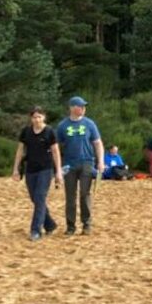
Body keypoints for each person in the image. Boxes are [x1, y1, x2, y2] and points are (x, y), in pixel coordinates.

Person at [12, 106, 63, 241]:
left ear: (44, 117)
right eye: (34, 117)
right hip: (30, 169)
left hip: (46, 170)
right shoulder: (26, 132)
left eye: (39, 117)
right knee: (35, 199)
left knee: (40, 198)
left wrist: (58, 171)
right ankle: (50, 224)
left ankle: (35, 230)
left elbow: (56, 152)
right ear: (31, 118)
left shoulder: (50, 132)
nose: (37, 119)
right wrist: (15, 169)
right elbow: (20, 150)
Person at [56, 96, 104, 235]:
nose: (83, 108)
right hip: (69, 164)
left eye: (84, 106)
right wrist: (57, 166)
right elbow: (56, 146)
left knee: (85, 193)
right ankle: (70, 226)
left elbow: (97, 143)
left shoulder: (89, 124)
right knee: (70, 196)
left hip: (87, 162)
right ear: (72, 108)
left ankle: (86, 224)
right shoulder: (63, 125)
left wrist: (101, 161)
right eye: (80, 106)